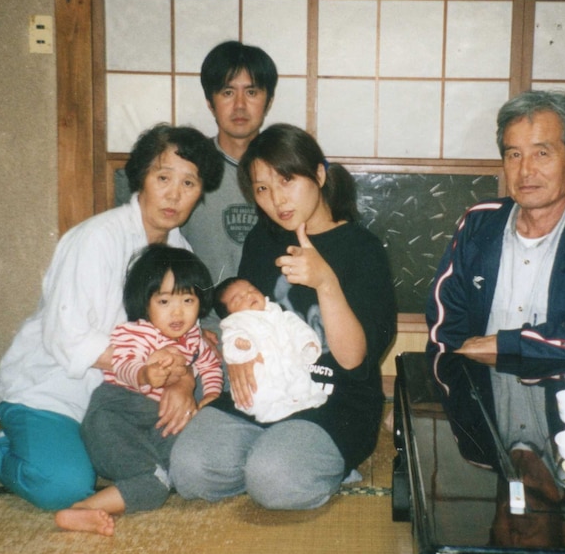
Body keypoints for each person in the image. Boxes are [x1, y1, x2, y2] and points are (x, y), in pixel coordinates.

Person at [0, 123, 222, 513]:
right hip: (56, 390)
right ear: (141, 178)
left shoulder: (179, 249)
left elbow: (184, 337)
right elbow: (69, 338)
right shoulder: (96, 239)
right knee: (64, 486)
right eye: (163, 177)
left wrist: (182, 378)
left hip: (123, 399)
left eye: (189, 184)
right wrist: (159, 369)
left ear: (199, 194)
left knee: (194, 466)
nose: (174, 195)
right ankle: (1, 445)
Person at [170, 123, 397, 510]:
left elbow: (352, 359)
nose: (277, 200)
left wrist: (326, 282)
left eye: (287, 180)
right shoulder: (263, 239)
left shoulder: (363, 250)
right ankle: (279, 454)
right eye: (262, 188)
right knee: (189, 469)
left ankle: (312, 462)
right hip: (264, 392)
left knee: (275, 478)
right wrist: (237, 352)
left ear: (320, 175)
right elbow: (244, 315)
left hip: (335, 400)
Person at [427, 89, 565, 365]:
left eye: (542, 153)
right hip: (483, 395)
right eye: (514, 155)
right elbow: (444, 324)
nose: (526, 170)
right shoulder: (478, 222)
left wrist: (508, 344)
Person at [55, 244, 223, 535]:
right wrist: (145, 373)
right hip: (116, 413)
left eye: (187, 300)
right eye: (164, 302)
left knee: (184, 469)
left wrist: (211, 396)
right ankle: (83, 509)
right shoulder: (136, 332)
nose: (177, 312)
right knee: (153, 482)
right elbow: (122, 365)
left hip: (157, 424)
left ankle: (114, 494)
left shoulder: (196, 337)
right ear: (145, 303)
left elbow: (210, 367)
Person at [181, 40, 279, 289]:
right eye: (227, 92)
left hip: (274, 322)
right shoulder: (187, 168)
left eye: (252, 92)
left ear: (268, 102)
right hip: (196, 322)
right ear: (210, 103)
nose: (239, 105)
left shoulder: (286, 170)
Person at [214, 276, 327, 423]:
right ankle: (269, 412)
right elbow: (230, 346)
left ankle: (304, 400)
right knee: (262, 393)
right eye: (238, 299)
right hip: (260, 375)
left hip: (288, 365)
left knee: (300, 383)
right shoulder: (235, 325)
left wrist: (307, 344)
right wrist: (240, 346)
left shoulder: (281, 314)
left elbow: (298, 329)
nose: (248, 295)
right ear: (229, 314)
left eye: (252, 290)